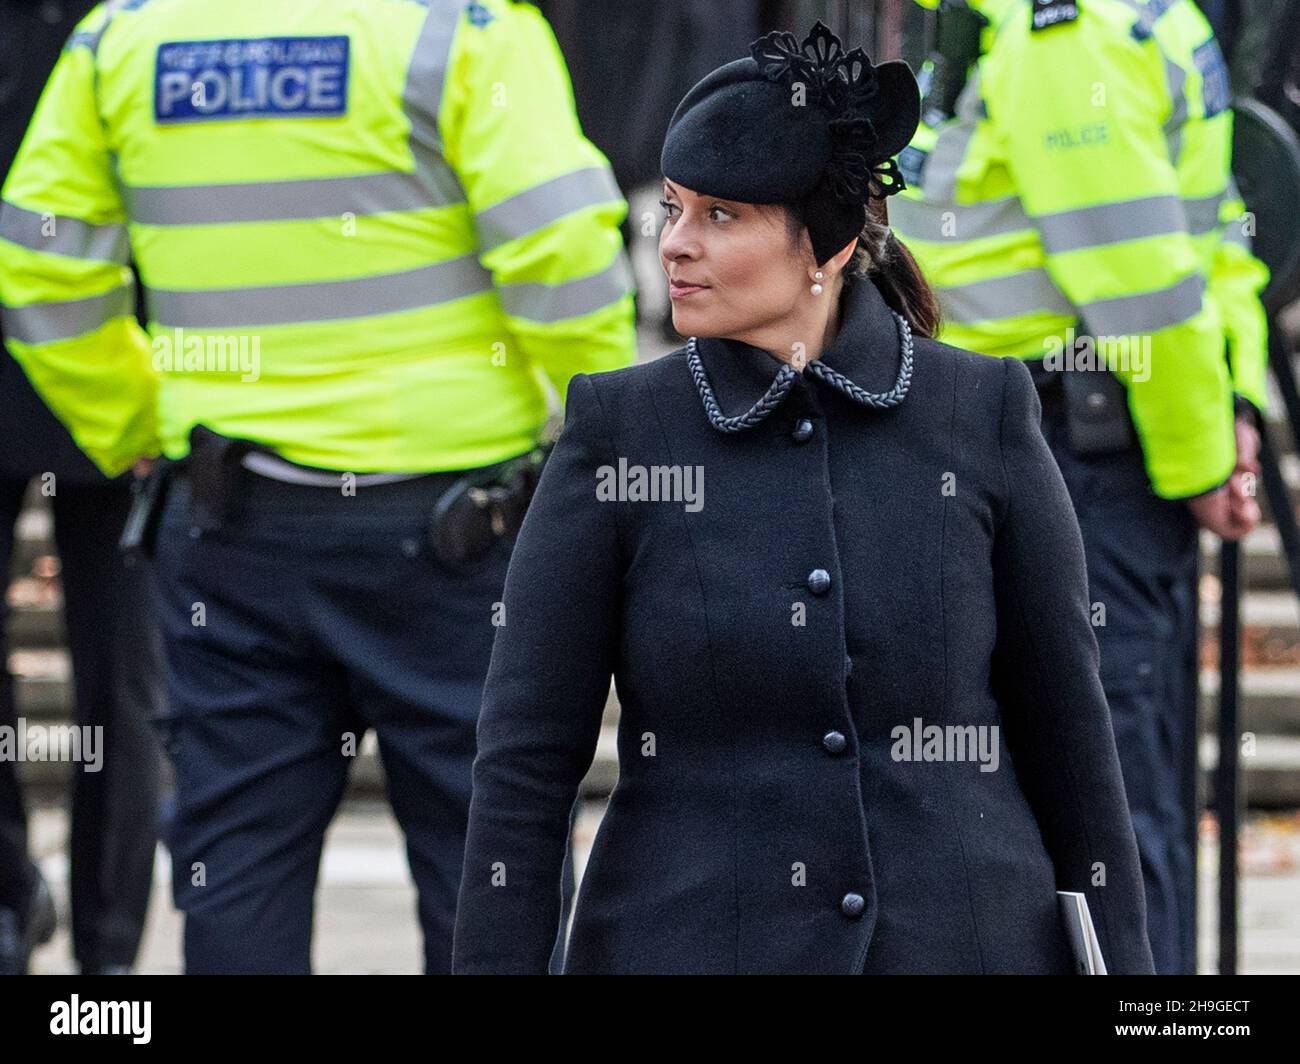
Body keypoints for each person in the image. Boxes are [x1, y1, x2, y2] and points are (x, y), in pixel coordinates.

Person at [451, 21, 1154, 974]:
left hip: (967, 946)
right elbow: (524, 769)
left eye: (721, 216)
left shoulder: (981, 411)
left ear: (822, 244)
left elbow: (1073, 749)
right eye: (672, 209)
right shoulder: (620, 430)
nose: (674, 247)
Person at [0, 0, 635, 973]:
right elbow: (563, 252)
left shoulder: (123, 38)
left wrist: (131, 427)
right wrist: (593, 432)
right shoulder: (460, 32)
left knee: (236, 869)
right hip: (455, 535)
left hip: (228, 527)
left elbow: (41, 265)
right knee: (488, 868)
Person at [891, 0, 1270, 974]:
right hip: (1072, 441)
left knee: (1102, 809)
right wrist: (1224, 412)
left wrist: (1201, 460)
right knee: (1115, 795)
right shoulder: (1147, 19)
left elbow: (1141, 278)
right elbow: (1216, 243)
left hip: (1066, 447)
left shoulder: (1068, 36)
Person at [0, 0, 163, 977]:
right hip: (119, 359)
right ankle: (23, 900)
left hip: (116, 365)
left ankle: (101, 952)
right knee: (123, 680)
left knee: (123, 681)